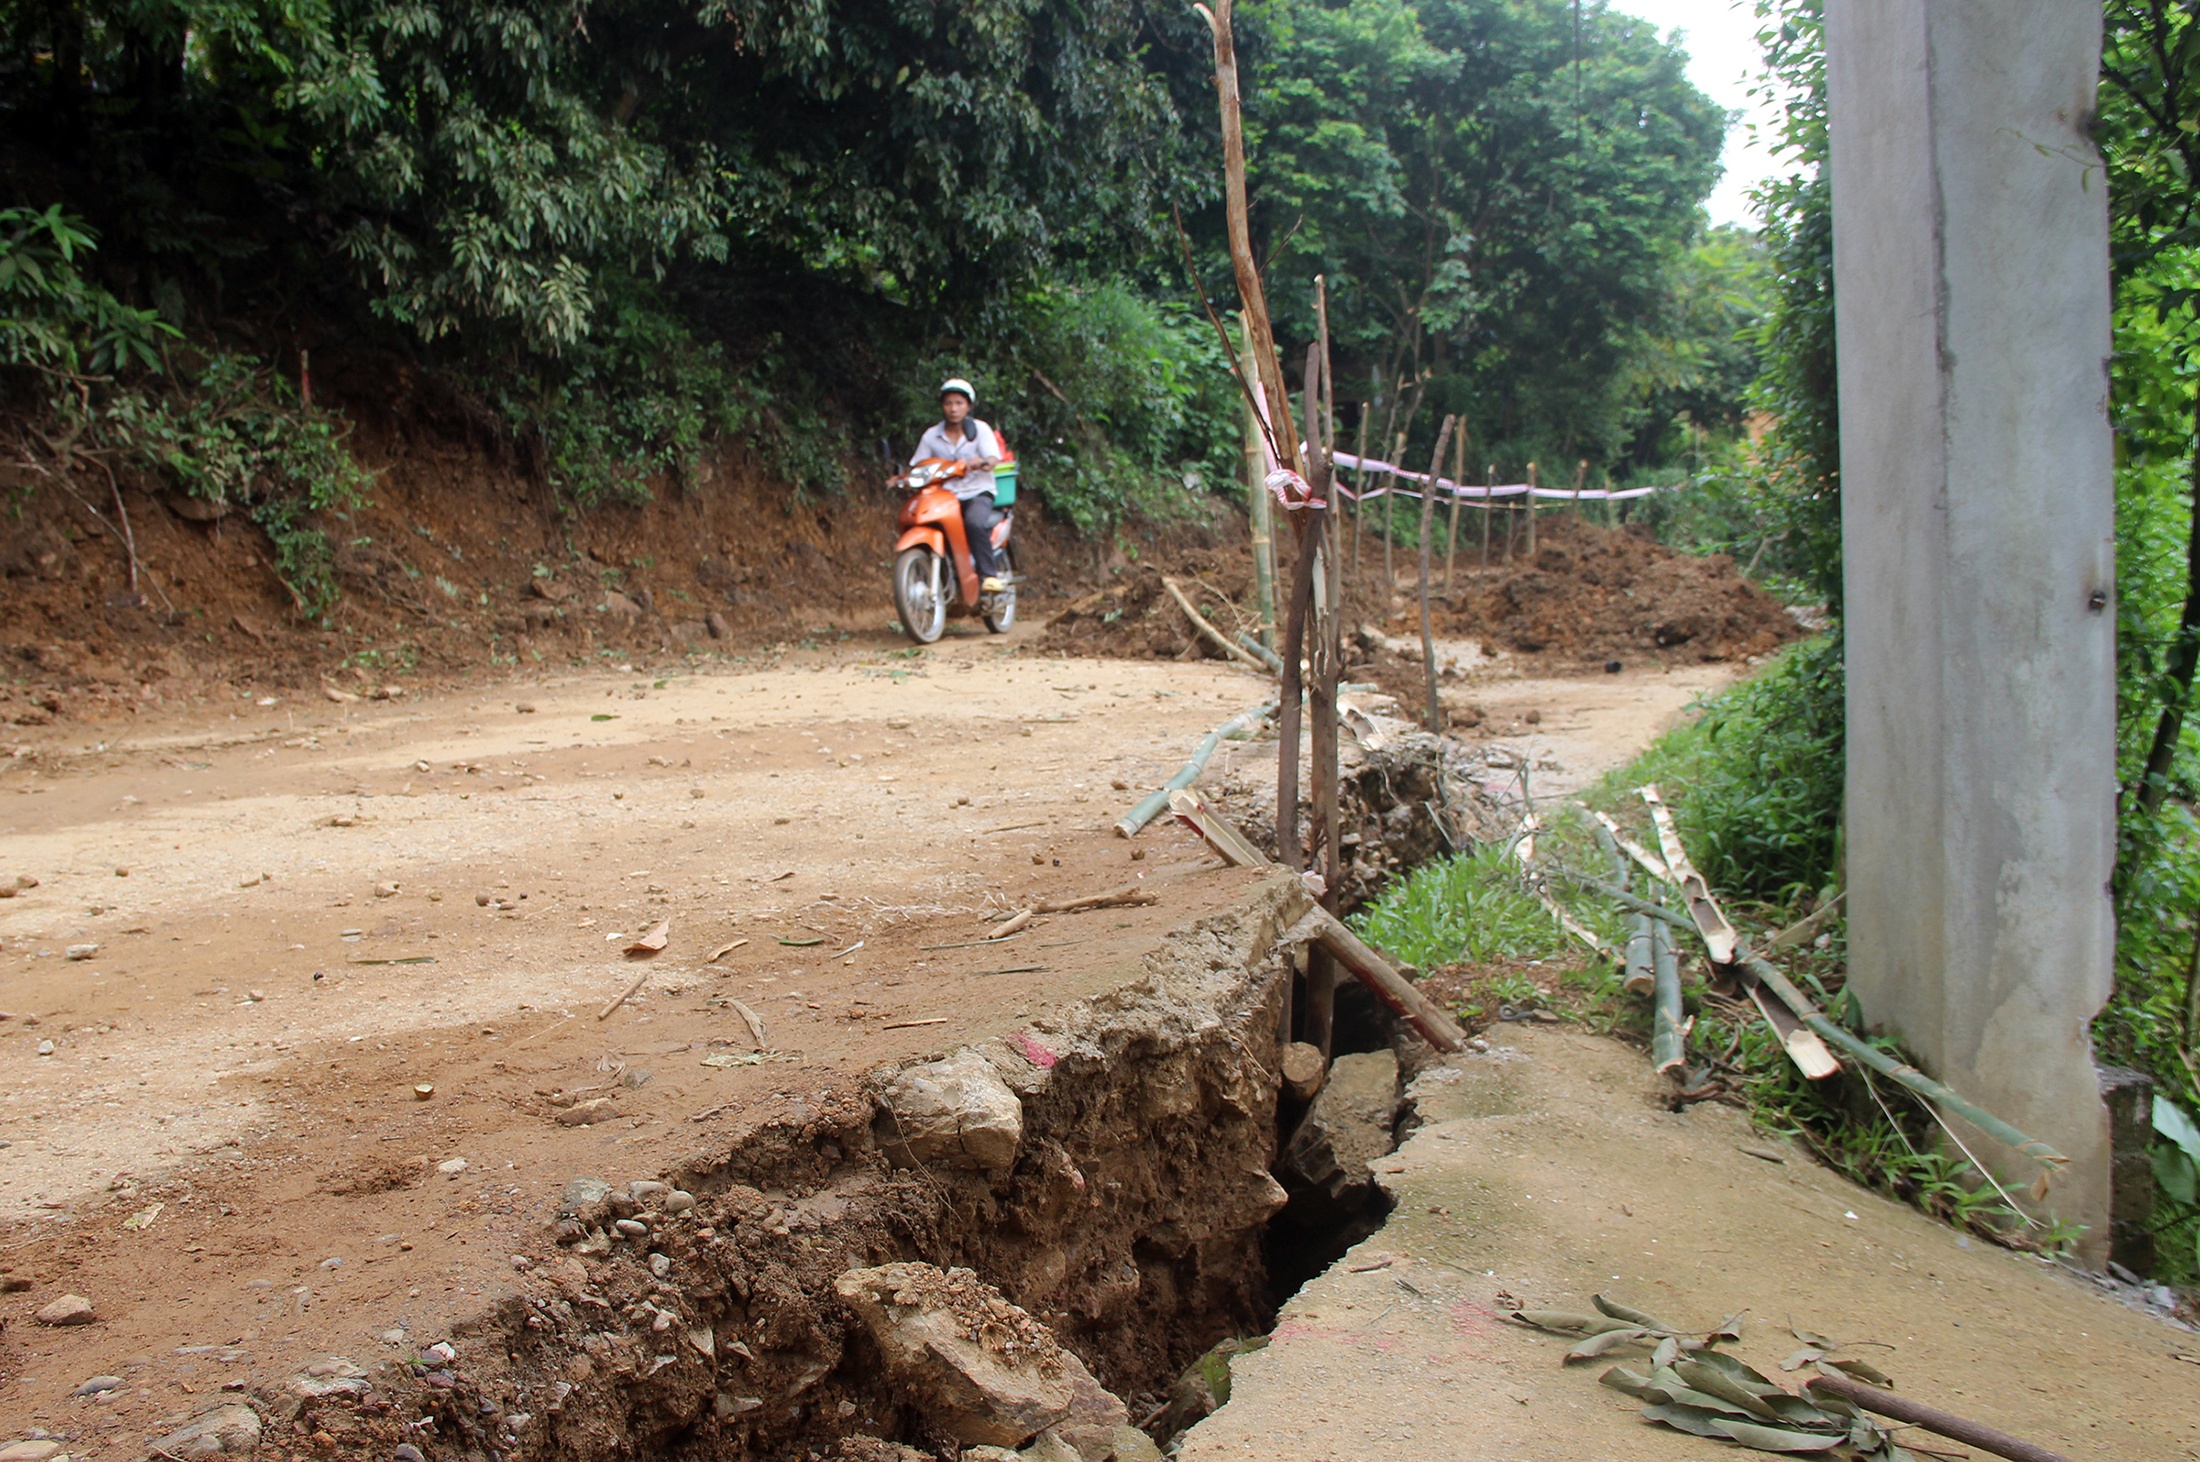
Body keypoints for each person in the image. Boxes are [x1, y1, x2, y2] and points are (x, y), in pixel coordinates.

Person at [910, 378, 1007, 592]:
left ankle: (989, 575)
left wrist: (982, 462)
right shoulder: (931, 435)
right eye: (948, 403)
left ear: (968, 406)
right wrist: (901, 477)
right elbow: (918, 464)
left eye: (959, 403)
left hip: (977, 491)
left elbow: (993, 458)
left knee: (973, 522)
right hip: (945, 495)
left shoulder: (981, 430)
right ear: (942, 407)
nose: (953, 409)